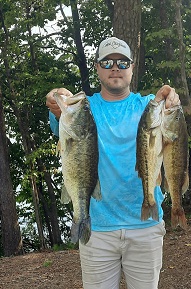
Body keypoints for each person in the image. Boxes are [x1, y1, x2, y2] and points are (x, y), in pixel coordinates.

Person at [46, 37, 180, 289]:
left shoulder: (148, 106)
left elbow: (176, 129)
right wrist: (54, 98)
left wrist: (171, 99)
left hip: (145, 227)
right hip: (97, 229)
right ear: (97, 68)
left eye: (122, 62)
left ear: (132, 66)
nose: (115, 67)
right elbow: (57, 108)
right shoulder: (84, 107)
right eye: (107, 62)